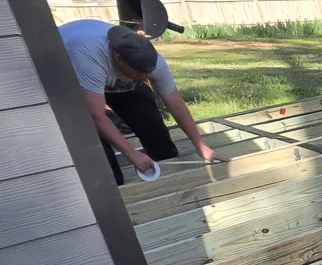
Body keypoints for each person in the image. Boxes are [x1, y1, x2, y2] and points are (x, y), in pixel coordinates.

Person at [58, 18, 218, 182]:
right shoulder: (87, 56)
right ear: (118, 58)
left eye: (147, 74)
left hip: (113, 77)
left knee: (154, 129)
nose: (144, 77)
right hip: (66, 76)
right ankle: (118, 191)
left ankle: (171, 180)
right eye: (138, 73)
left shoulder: (153, 62)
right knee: (97, 150)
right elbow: (96, 115)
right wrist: (131, 153)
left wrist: (200, 145)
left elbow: (176, 105)